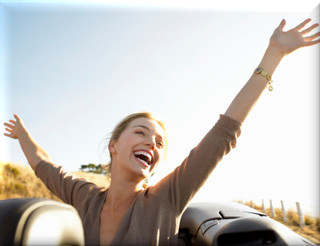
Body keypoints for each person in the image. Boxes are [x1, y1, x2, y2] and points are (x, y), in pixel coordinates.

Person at [4, 19, 320, 246]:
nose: (151, 144)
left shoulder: (167, 197)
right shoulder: (83, 196)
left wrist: (272, 56)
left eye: (159, 143)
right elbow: (43, 164)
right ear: (113, 145)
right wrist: (22, 135)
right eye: (141, 132)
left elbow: (223, 134)